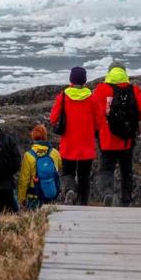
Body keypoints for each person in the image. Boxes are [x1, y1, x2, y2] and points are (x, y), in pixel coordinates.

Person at [92, 62, 141, 206]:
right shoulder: (133, 89)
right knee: (126, 170)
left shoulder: (101, 89)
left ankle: (108, 193)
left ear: (109, 72)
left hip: (107, 139)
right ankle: (126, 201)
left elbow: (94, 111)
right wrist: (130, 120)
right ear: (124, 72)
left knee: (107, 168)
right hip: (127, 140)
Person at [48, 67, 97, 205]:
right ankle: (83, 202)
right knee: (84, 175)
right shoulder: (91, 98)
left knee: (68, 171)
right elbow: (99, 120)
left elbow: (53, 118)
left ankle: (70, 189)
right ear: (84, 80)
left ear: (71, 79)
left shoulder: (63, 96)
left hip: (69, 142)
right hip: (86, 143)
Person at [17, 124, 63, 210]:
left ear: (33, 137)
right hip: (51, 193)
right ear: (45, 136)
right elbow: (59, 167)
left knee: (34, 222)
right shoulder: (54, 153)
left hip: (34, 195)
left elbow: (24, 179)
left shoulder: (29, 155)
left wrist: (21, 199)